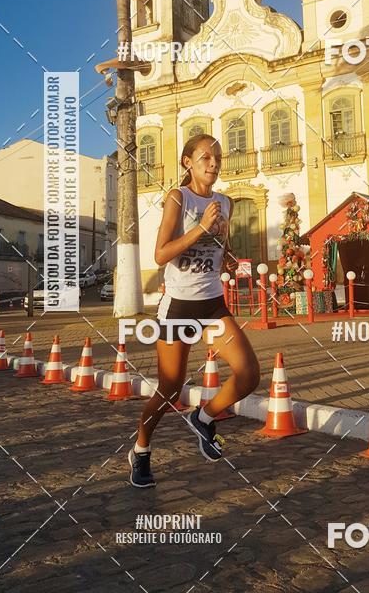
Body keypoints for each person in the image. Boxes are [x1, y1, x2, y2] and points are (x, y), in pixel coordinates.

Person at [128, 133, 261, 487]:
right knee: (170, 388)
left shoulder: (226, 203)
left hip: (213, 303)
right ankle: (141, 450)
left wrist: (226, 251)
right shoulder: (179, 198)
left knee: (249, 374)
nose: (214, 163)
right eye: (205, 157)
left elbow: (223, 253)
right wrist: (201, 228)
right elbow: (161, 254)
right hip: (179, 307)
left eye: (217, 157)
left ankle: (203, 416)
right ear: (188, 162)